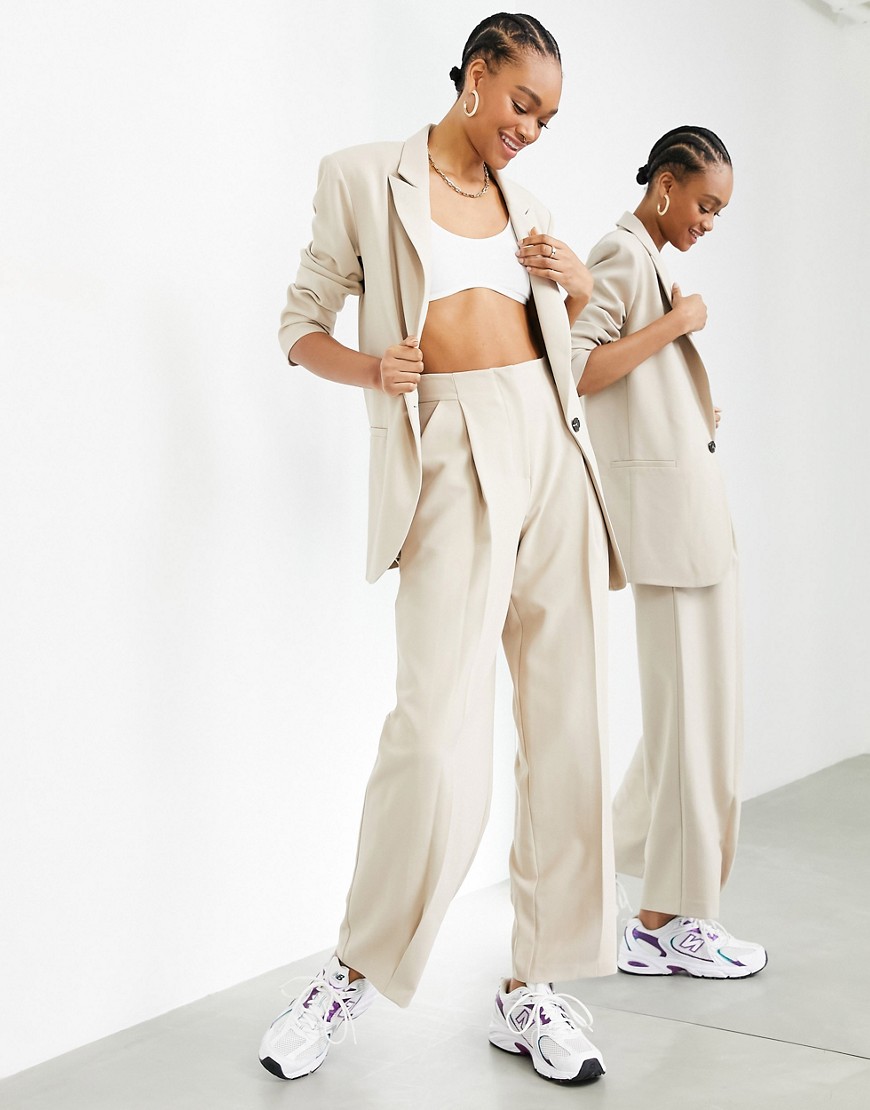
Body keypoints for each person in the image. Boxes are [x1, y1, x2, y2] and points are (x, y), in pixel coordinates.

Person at [258, 12, 627, 1087]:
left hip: (552, 441)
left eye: (548, 118)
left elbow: (567, 338)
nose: (531, 130)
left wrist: (575, 285)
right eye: (521, 104)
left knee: (567, 721)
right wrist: (373, 371)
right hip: (451, 445)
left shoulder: (533, 207)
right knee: (433, 729)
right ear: (474, 76)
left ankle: (533, 984)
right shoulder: (363, 176)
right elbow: (299, 324)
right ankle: (351, 970)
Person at [572, 127, 767, 979]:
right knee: (692, 724)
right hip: (668, 531)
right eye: (705, 204)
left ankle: (652, 902)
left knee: (696, 722)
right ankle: (674, 922)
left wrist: (691, 410)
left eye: (719, 212)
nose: (709, 223)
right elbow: (576, 368)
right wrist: (680, 324)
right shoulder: (621, 252)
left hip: (690, 522)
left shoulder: (643, 257)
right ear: (664, 185)